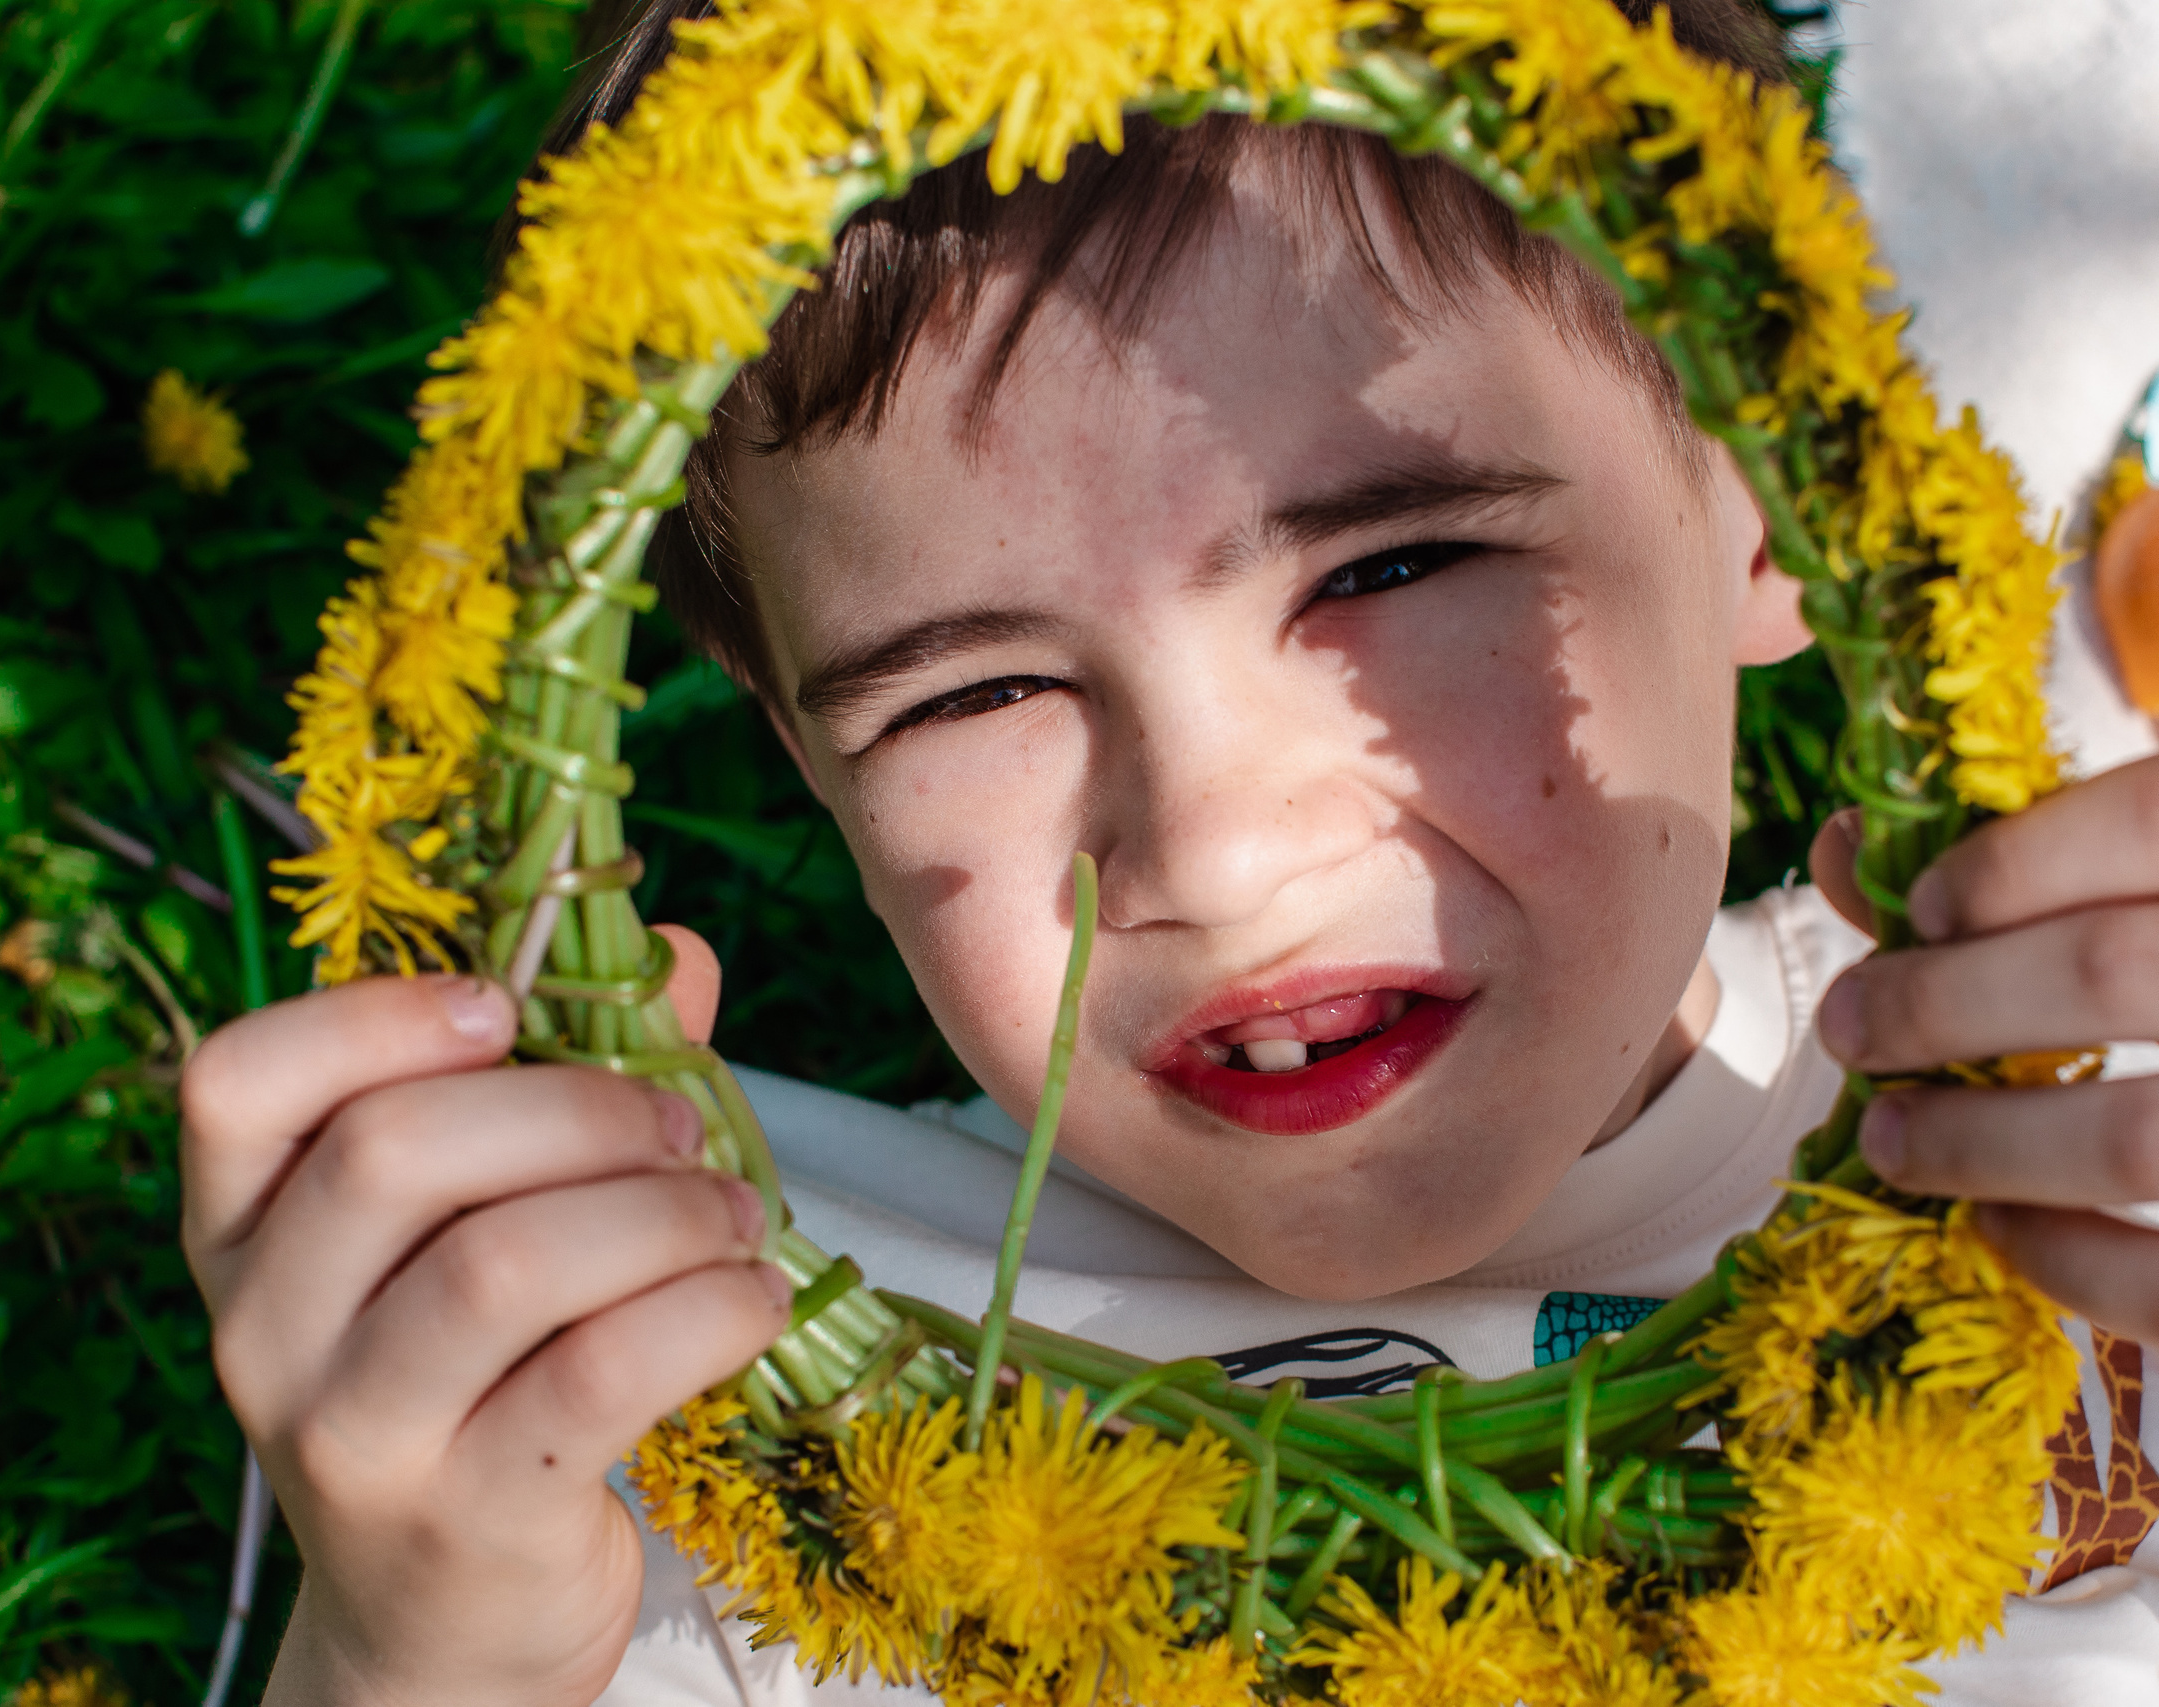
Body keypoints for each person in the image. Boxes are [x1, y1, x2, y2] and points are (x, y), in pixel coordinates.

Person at [175, 2, 2159, 1702]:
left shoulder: (2081, 1129)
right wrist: (411, 1655)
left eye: (1392, 563)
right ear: (798, 750)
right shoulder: (682, 1368)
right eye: (965, 692)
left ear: (1764, 497)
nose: (1211, 848)